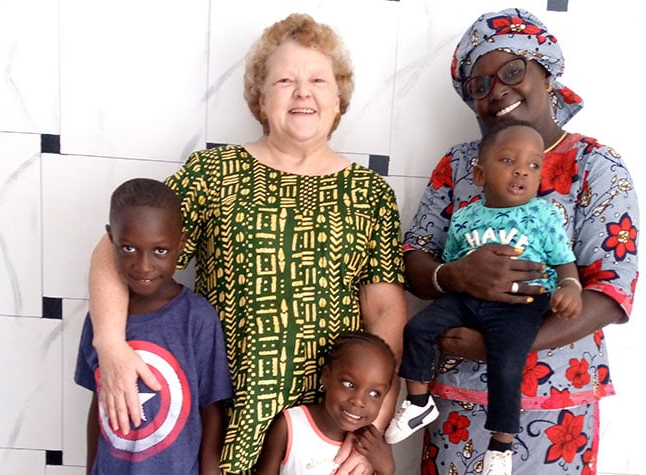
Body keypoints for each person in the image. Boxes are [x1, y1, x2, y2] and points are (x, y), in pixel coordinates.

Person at [87, 13, 407, 475]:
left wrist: (368, 424)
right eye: (284, 80)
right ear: (260, 97)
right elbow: (115, 247)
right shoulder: (212, 173)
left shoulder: (370, 192)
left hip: (323, 427)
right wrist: (111, 347)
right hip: (225, 416)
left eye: (318, 79)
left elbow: (385, 313)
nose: (303, 92)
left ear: (339, 98)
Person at [404, 8, 639, 475]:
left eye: (513, 70)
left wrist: (498, 346)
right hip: (459, 406)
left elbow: (611, 293)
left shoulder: (597, 166)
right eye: (480, 85)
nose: (499, 91)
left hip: (556, 410)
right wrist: (451, 275)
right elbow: (413, 258)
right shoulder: (458, 165)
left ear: (547, 71)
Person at [385, 120, 583, 474]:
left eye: (534, 164)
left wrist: (570, 288)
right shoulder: (464, 216)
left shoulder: (544, 214)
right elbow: (452, 263)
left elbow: (564, 261)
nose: (522, 169)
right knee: (418, 328)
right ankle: (418, 402)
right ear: (478, 174)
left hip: (519, 305)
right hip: (467, 297)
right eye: (508, 160)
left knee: (506, 365)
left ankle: (501, 446)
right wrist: (456, 277)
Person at [74, 178, 233, 474]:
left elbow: (211, 410)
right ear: (111, 240)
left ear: (181, 244)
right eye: (129, 248)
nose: (144, 266)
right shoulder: (100, 318)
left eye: (159, 250)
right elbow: (99, 401)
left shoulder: (197, 319)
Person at [255, 331, 396, 475]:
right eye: (348, 384)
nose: (359, 401)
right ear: (326, 377)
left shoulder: (373, 446)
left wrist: (386, 468)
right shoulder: (291, 426)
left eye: (374, 393)